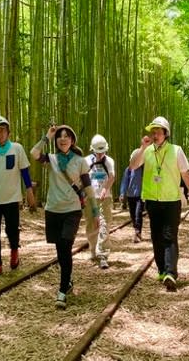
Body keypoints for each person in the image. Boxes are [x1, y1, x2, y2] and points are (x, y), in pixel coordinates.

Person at [128, 116, 189, 292]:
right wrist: (142, 147)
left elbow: (185, 174)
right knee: (156, 237)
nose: (155, 134)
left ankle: (170, 273)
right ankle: (161, 270)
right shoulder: (146, 151)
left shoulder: (176, 150)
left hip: (171, 200)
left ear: (165, 133)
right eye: (153, 131)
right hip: (152, 200)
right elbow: (132, 166)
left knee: (169, 236)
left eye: (159, 131)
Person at [31, 124, 99, 309]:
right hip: (53, 209)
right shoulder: (51, 159)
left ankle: (61, 291)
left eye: (66, 136)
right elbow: (34, 153)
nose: (62, 139)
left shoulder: (80, 161)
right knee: (61, 251)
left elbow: (88, 187)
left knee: (65, 245)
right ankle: (68, 281)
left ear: (72, 140)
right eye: (59, 136)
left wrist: (95, 211)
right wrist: (47, 136)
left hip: (72, 210)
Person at [0, 115, 37, 276]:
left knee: (12, 230)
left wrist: (29, 192)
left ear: (8, 132)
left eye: (2, 130)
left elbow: (24, 171)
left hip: (12, 197)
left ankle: (14, 252)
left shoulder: (17, 148)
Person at [85, 134, 116, 269]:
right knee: (91, 224)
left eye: (102, 151)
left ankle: (103, 254)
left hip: (105, 197)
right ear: (92, 150)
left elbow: (112, 176)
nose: (100, 154)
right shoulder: (86, 161)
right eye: (98, 152)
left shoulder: (109, 161)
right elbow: (82, 178)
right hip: (90, 198)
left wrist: (105, 189)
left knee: (105, 224)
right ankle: (93, 250)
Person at [119, 152, 144, 242]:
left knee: (138, 214)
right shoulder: (128, 170)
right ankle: (136, 230)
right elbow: (124, 182)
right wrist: (122, 193)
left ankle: (137, 233)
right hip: (130, 195)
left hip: (140, 196)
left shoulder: (143, 169)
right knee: (133, 215)